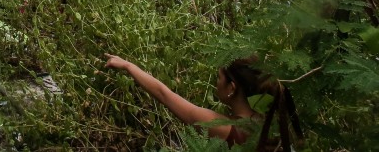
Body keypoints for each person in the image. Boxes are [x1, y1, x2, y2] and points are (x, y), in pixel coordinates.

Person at [103, 55, 302, 150]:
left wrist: (128, 66)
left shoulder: (227, 128)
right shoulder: (267, 122)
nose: (216, 83)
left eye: (219, 78)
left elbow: (164, 95)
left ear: (232, 88)